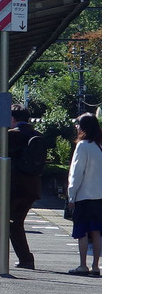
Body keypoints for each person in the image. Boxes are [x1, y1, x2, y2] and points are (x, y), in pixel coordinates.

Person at [0, 105, 43, 270]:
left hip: (12, 187)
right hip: (32, 188)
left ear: (12, 119)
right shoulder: (37, 135)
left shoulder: (12, 135)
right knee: (15, 223)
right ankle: (26, 259)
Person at [66, 113, 102, 277]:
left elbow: (76, 173)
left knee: (83, 232)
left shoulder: (82, 146)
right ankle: (96, 266)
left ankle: (82, 265)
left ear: (84, 127)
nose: (76, 127)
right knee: (97, 232)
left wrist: (71, 195)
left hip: (84, 195)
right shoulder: (100, 146)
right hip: (100, 196)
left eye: (78, 124)